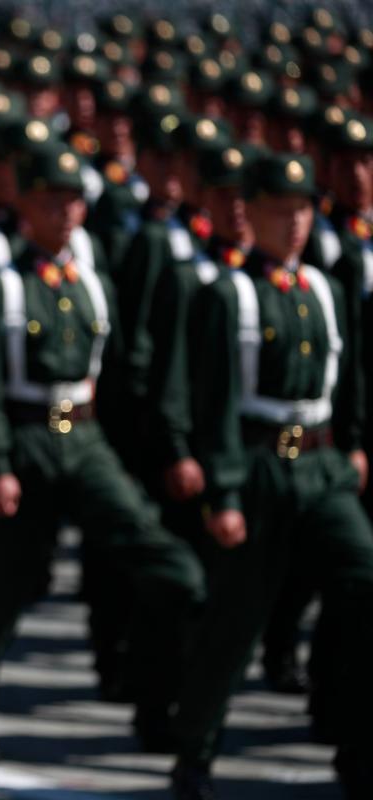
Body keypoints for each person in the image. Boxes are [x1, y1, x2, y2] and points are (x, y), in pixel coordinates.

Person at [0, 139, 206, 761]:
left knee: (168, 567)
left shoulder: (94, 279)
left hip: (86, 438)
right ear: (26, 205)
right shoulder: (2, 284)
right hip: (25, 438)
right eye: (49, 201)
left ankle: (154, 704)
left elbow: (116, 375)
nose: (63, 213)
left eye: (72, 202)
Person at [170, 152, 373, 800]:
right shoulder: (228, 294)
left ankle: (354, 743)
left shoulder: (324, 289)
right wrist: (224, 494)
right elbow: (215, 404)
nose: (295, 224)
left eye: (303, 211)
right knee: (235, 621)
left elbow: (350, 380)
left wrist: (355, 447)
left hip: (321, 466)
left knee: (363, 581)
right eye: (280, 212)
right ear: (249, 214)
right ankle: (193, 757)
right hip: (258, 468)